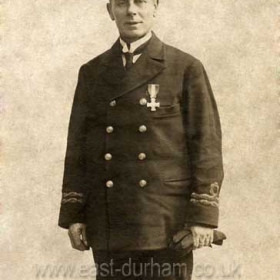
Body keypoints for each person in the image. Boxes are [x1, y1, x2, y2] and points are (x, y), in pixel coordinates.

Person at [58, 0, 224, 279]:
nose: (132, 11)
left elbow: (206, 146)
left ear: (156, 7)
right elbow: (78, 149)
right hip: (110, 222)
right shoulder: (92, 72)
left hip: (165, 223)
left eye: (141, 1)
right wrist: (75, 214)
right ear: (110, 10)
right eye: (122, 3)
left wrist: (202, 218)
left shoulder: (185, 68)